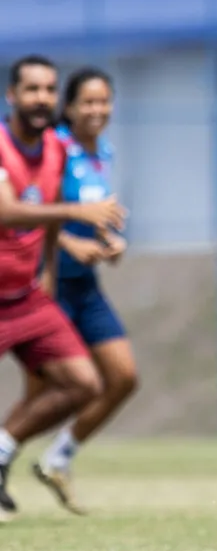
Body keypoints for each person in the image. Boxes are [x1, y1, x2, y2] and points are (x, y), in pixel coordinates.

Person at [0, 55, 127, 521]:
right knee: (46, 391)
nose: (42, 99)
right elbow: (7, 210)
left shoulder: (63, 151)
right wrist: (74, 222)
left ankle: (30, 456)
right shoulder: (10, 145)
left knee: (89, 383)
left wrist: (52, 268)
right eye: (32, 90)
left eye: (49, 90)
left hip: (33, 292)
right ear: (11, 95)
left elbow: (49, 214)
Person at [30, 68, 138, 515]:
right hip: (48, 283)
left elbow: (94, 213)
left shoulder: (103, 152)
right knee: (41, 395)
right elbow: (35, 213)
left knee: (123, 377)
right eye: (88, 102)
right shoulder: (54, 148)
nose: (98, 110)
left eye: (104, 101)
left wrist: (110, 243)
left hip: (85, 286)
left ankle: (58, 459)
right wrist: (72, 244)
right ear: (69, 107)